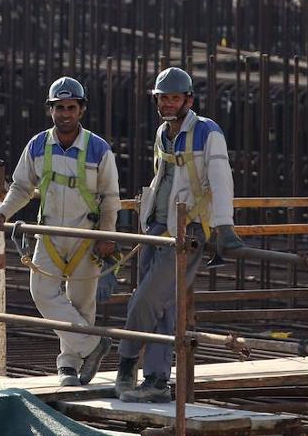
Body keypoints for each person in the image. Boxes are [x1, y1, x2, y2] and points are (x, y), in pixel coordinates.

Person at [114, 67, 245, 403]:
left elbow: (221, 180)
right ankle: (157, 380)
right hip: (156, 227)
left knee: (144, 301)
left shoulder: (207, 133)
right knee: (162, 307)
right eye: (163, 98)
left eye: (174, 98)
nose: (168, 104)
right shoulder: (162, 133)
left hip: (186, 232)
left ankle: (126, 364)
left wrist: (224, 226)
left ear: (188, 99)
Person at [0, 76, 121, 387]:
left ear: (81, 110)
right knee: (42, 293)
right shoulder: (38, 145)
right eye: (59, 107)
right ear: (51, 110)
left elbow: (110, 198)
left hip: (87, 236)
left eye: (71, 107)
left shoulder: (99, 149)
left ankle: (70, 366)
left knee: (82, 302)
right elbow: (21, 186)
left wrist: (107, 235)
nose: (65, 113)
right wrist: (2, 212)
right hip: (50, 234)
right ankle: (91, 345)